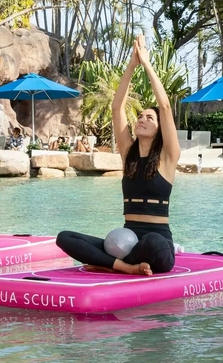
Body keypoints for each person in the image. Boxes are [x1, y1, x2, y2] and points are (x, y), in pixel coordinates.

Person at [55, 35, 182, 276]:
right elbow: (117, 107)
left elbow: (165, 107)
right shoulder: (129, 154)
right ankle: (126, 267)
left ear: (160, 129)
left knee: (154, 241)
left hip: (157, 246)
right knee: (65, 238)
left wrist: (146, 64)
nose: (142, 119)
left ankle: (107, 264)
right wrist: (130, 66)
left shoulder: (168, 157)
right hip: (125, 245)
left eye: (149, 118)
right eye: (140, 116)